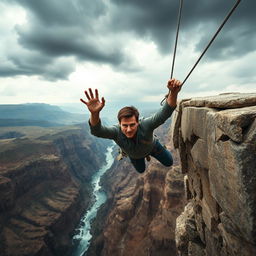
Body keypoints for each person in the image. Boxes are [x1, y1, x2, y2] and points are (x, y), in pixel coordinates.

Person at [80, 78, 182, 173]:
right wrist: (94, 113)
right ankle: (128, 152)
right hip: (135, 155)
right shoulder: (116, 132)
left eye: (132, 125)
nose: (128, 129)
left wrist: (173, 93)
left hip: (152, 146)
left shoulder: (146, 125)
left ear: (138, 122)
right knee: (141, 170)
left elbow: (164, 113)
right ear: (119, 124)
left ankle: (151, 147)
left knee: (169, 162)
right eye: (124, 125)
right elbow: (97, 131)